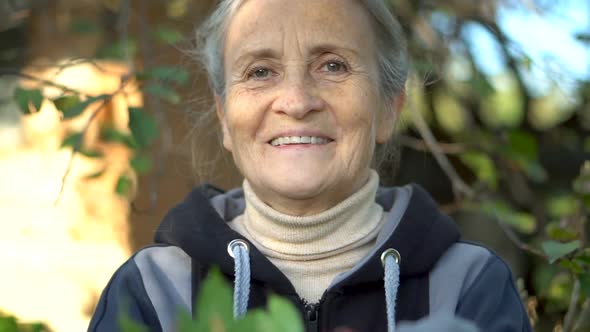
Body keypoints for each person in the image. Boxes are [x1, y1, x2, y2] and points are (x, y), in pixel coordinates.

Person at [89, 0, 532, 331]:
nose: (297, 102)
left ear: (389, 109)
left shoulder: (469, 288)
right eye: (260, 71)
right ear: (225, 119)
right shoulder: (151, 291)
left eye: (333, 66)